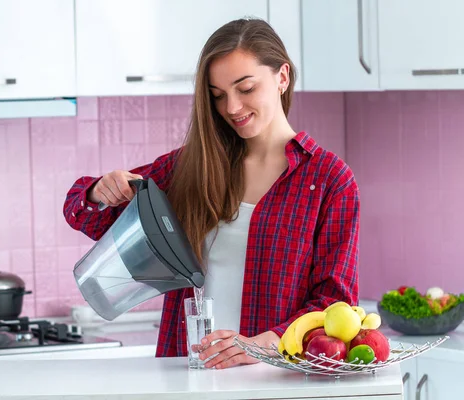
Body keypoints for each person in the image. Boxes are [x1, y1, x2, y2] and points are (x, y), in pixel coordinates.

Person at [63, 18, 359, 370]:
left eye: (245, 88)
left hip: (274, 378)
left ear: (282, 77)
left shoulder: (327, 180)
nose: (232, 107)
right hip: (188, 373)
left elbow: (334, 303)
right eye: (217, 95)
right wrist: (100, 190)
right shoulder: (192, 165)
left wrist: (268, 342)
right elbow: (83, 212)